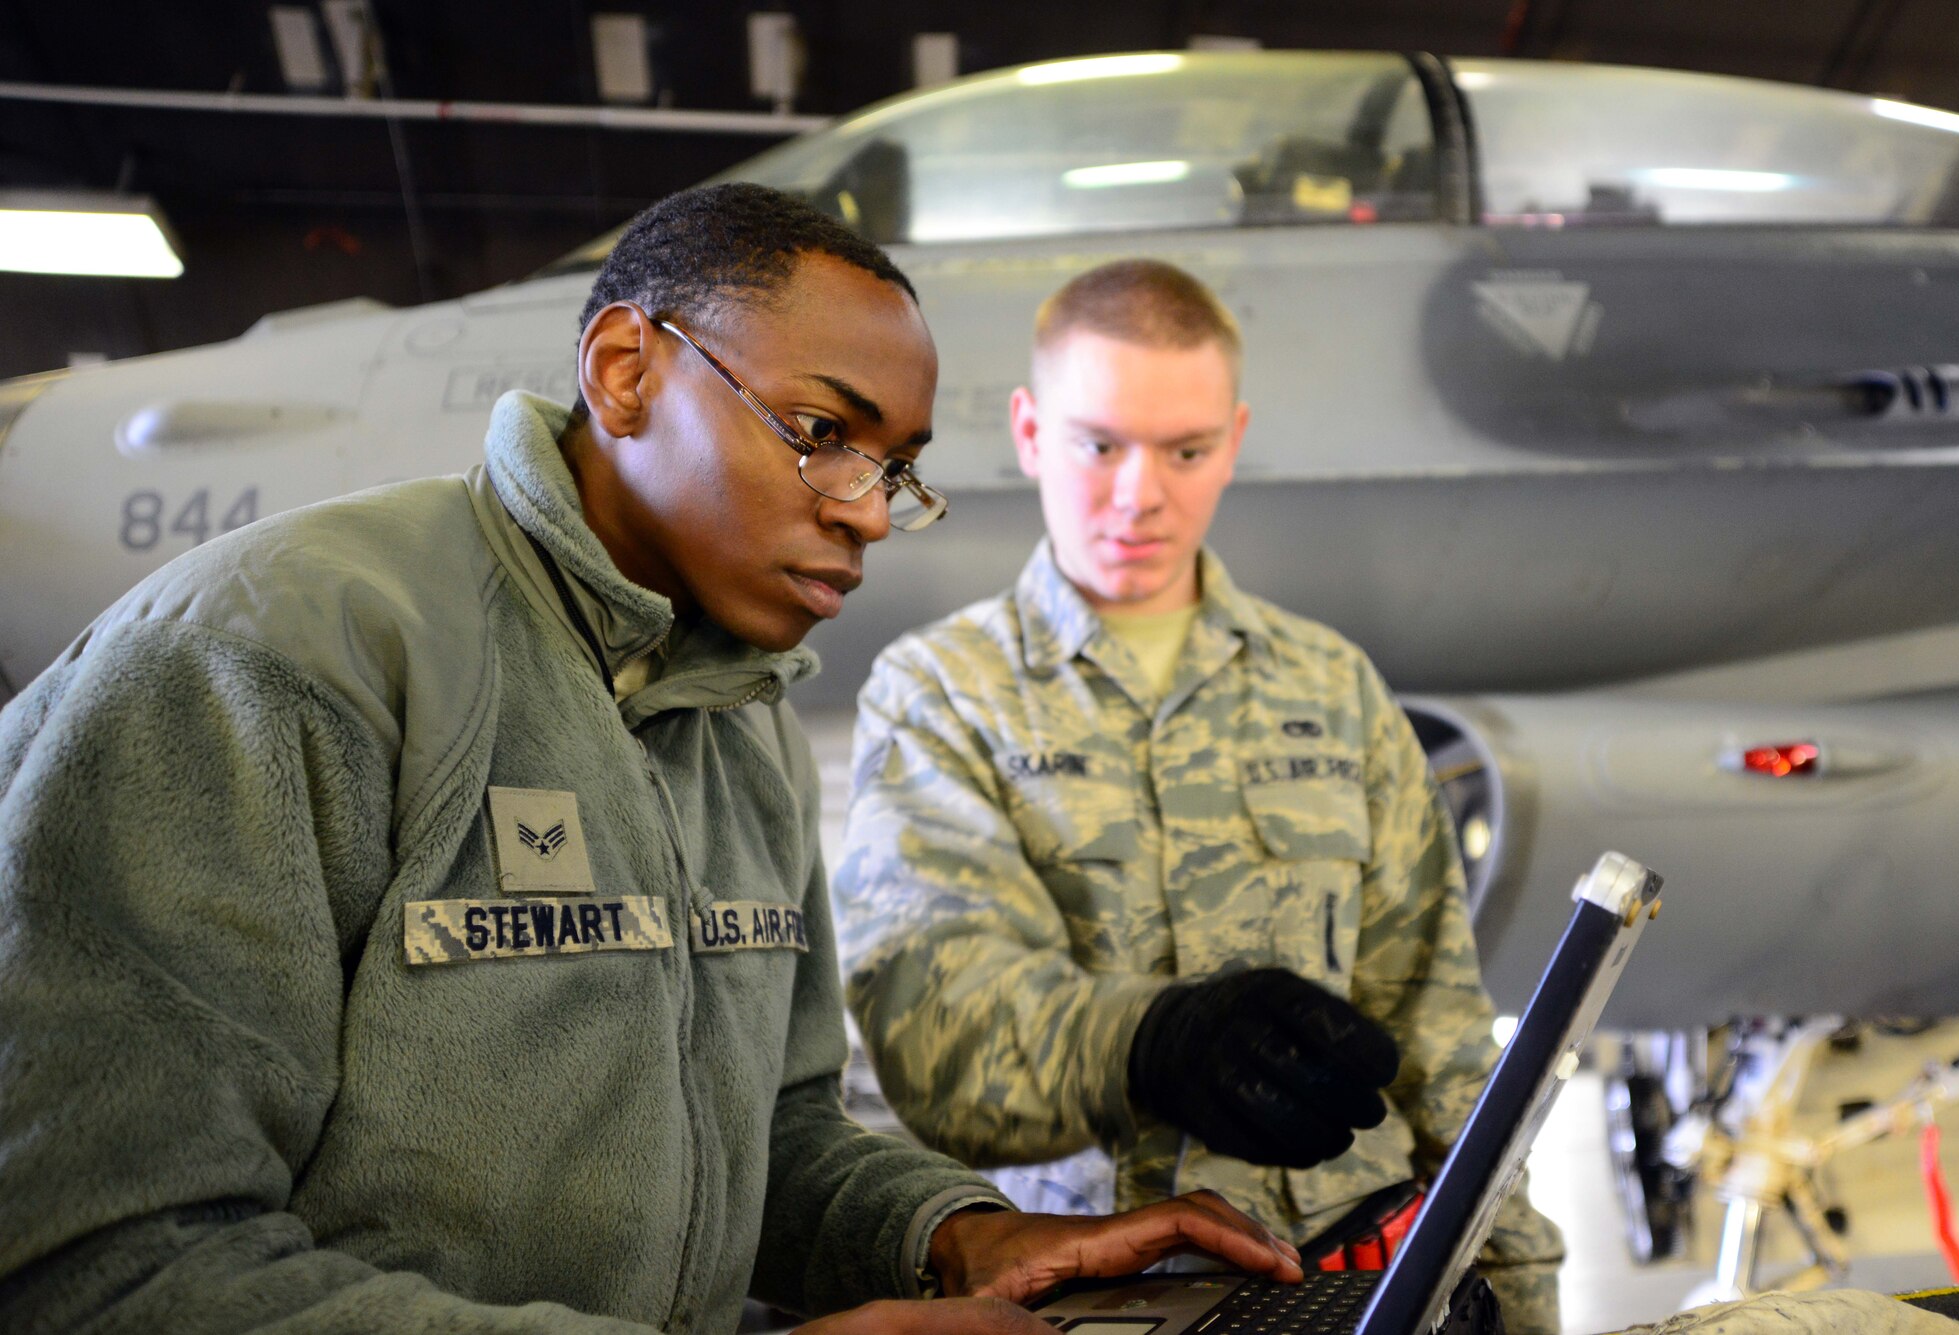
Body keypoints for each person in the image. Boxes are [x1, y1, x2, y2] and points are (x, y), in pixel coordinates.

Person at [0, 188, 1304, 1335]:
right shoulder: (284, 653)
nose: (864, 508)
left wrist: (959, 1234)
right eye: (820, 431)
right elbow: (102, 1267)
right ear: (626, 368)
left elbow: (770, 1138)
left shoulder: (744, 719)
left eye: (895, 467)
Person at [834, 259, 1564, 1330]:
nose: (1140, 493)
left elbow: (1442, 1037)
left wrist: (1524, 1295)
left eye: (1185, 449)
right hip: (1095, 1301)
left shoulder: (1329, 685)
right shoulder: (942, 694)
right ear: (1031, 432)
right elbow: (938, 1029)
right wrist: (1152, 1041)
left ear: (1232, 437)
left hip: (1348, 1291)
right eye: (1099, 444)